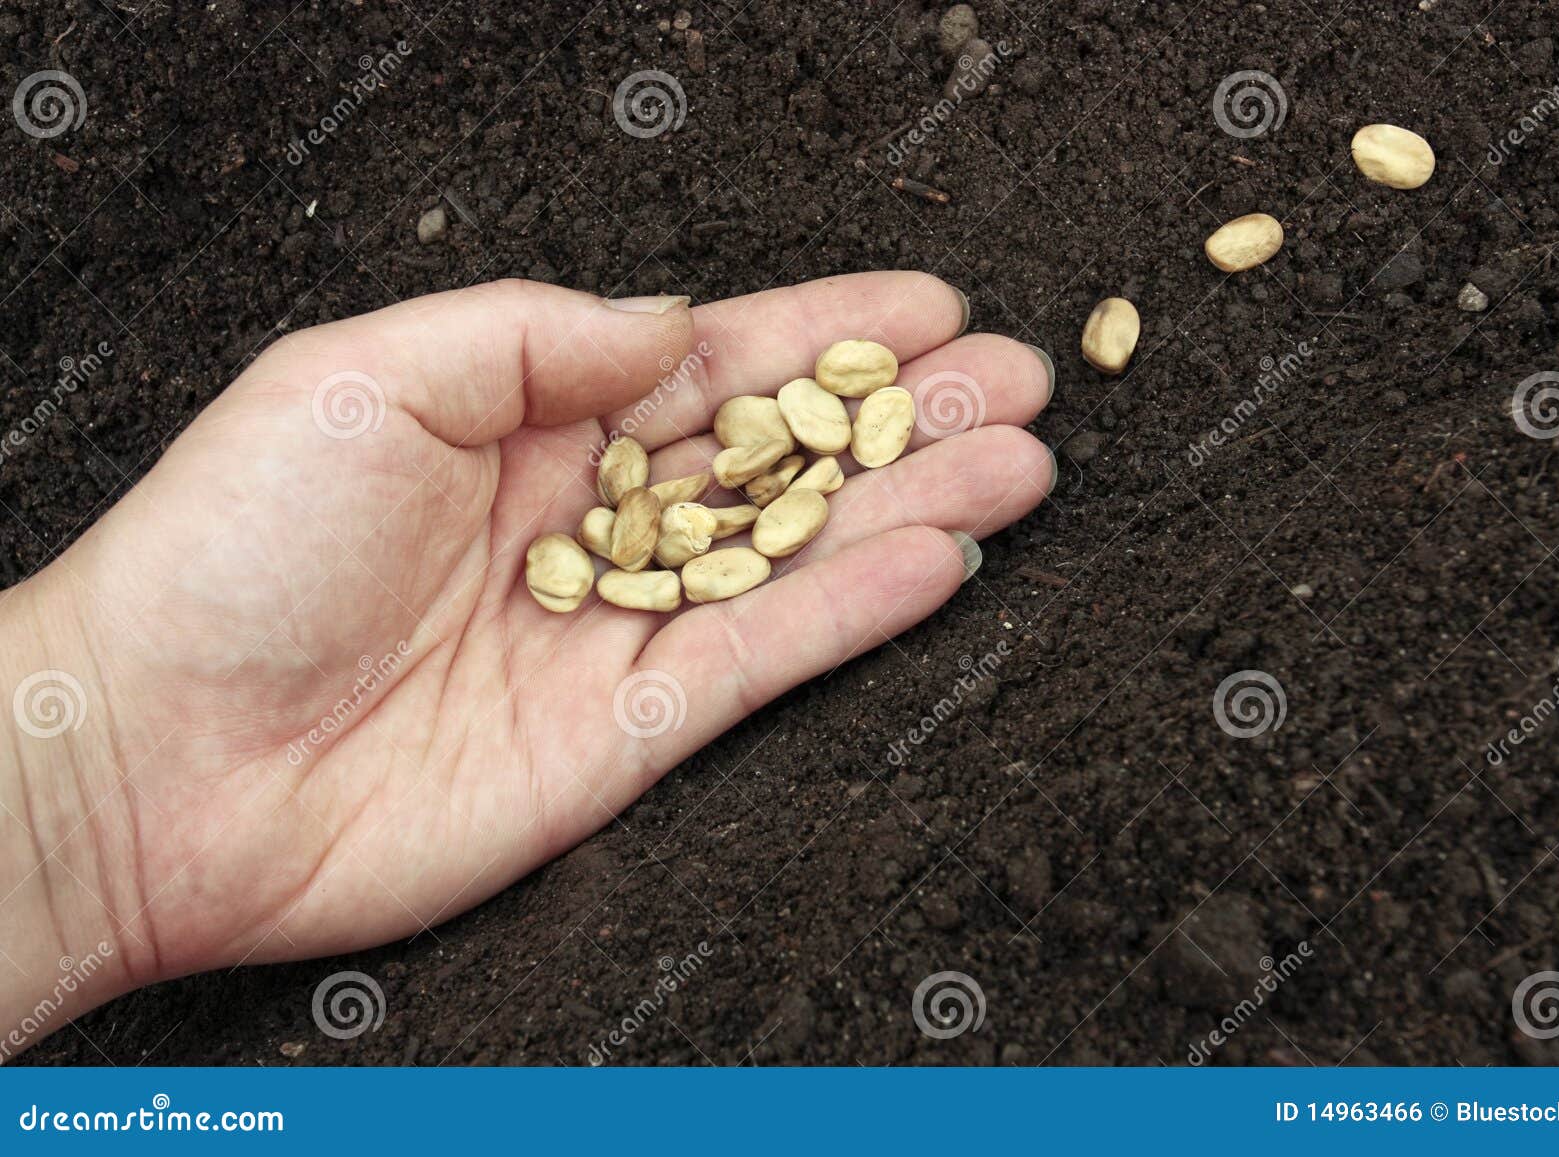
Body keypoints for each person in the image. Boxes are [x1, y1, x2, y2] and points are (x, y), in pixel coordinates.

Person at [0, 271, 1056, 1056]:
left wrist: (80, 771)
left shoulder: (702, 486)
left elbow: (705, 513)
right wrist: (81, 764)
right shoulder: (653, 513)